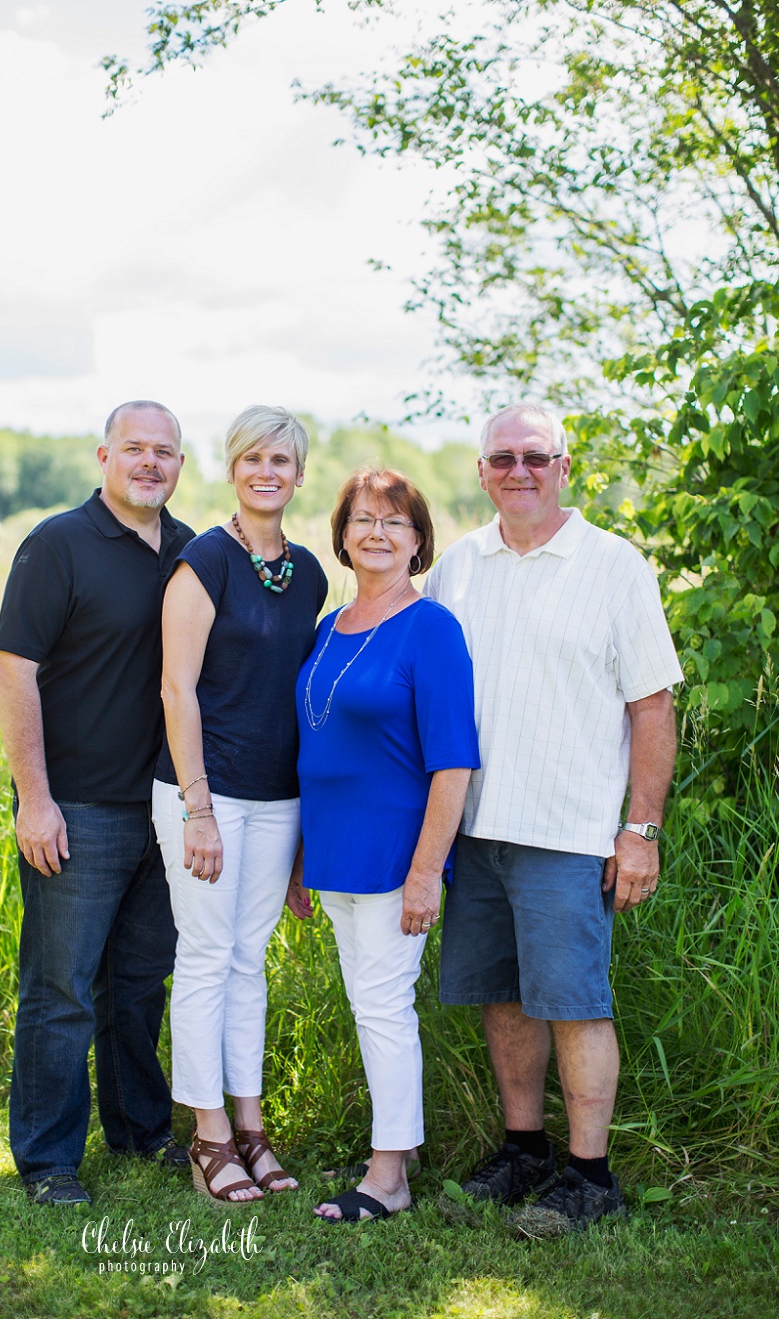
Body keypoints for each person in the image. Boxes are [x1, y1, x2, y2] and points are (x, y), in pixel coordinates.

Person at [424, 403, 683, 1237]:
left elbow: (651, 705)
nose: (519, 470)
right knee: (503, 998)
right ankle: (523, 1149)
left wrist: (639, 829)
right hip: (476, 831)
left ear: (564, 466)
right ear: (481, 472)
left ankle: (590, 1173)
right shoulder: (457, 569)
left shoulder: (613, 565)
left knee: (573, 1000)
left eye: (536, 456)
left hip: (569, 834)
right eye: (502, 458)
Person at [0, 400, 194, 1205]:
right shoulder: (58, 543)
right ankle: (47, 1158)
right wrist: (34, 799)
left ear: (182, 465)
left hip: (163, 807)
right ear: (103, 455)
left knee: (141, 982)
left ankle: (140, 1131)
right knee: (62, 987)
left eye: (166, 451)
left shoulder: (189, 551)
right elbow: (14, 667)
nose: (151, 462)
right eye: (135, 448)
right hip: (76, 806)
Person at [293, 468, 480, 1223]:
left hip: (394, 854)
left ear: (418, 541)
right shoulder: (327, 627)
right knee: (369, 1003)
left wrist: (427, 870)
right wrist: (302, 855)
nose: (376, 531)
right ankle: (387, 1155)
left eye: (393, 522)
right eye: (362, 518)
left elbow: (453, 759)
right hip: (333, 850)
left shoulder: (431, 628)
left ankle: (389, 1175)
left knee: (382, 1006)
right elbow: (316, 741)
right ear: (341, 535)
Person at [152, 404, 328, 1204]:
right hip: (205, 789)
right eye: (253, 457)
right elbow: (176, 687)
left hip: (278, 796)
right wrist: (198, 808)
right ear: (232, 467)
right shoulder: (203, 562)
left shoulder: (312, 574)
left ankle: (252, 1127)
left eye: (282, 461)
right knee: (205, 954)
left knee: (248, 959)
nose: (268, 472)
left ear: (298, 475)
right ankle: (209, 1134)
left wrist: (303, 837)